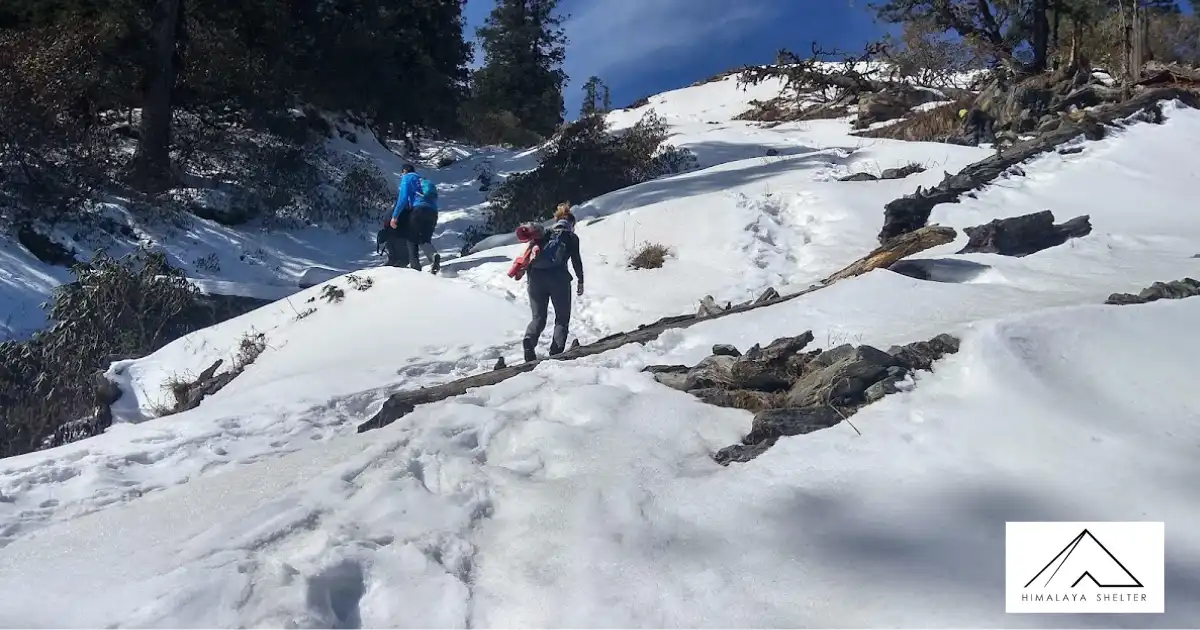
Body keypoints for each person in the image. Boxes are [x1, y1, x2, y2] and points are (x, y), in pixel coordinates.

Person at [521, 202, 584, 362]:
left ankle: (529, 340)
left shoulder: (542, 234)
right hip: (559, 279)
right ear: (571, 223)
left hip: (535, 278)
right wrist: (580, 281)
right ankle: (556, 354)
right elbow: (576, 261)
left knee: (538, 317)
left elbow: (530, 255)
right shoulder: (570, 237)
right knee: (562, 319)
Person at [406, 170, 441, 274]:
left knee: (411, 238)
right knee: (425, 239)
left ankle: (415, 268)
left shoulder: (413, 184)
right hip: (433, 213)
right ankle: (433, 256)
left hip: (418, 211)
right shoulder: (430, 186)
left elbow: (406, 201)